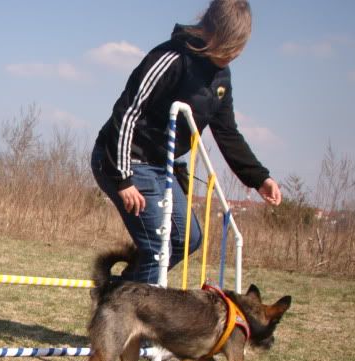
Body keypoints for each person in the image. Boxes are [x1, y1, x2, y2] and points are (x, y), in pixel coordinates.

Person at [92, 0, 282, 285]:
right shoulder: (171, 57)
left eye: (238, 48)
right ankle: (129, 307)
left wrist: (259, 178)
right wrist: (123, 178)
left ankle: (119, 296)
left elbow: (227, 132)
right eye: (228, 46)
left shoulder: (221, 78)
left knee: (188, 239)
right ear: (212, 31)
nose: (233, 55)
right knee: (157, 249)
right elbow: (127, 111)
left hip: (161, 167)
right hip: (124, 159)